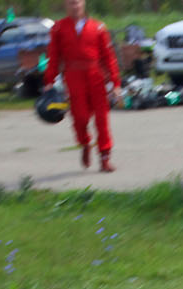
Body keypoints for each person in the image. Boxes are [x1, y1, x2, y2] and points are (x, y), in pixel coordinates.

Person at [43, 0, 121, 172]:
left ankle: (105, 157)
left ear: (83, 3)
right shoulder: (58, 28)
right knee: (80, 117)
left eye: (77, 2)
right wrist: (49, 81)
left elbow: (109, 57)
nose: (75, 6)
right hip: (73, 76)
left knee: (101, 118)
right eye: (71, 3)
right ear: (66, 5)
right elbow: (53, 57)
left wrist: (115, 83)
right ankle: (85, 143)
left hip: (96, 76)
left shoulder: (98, 27)